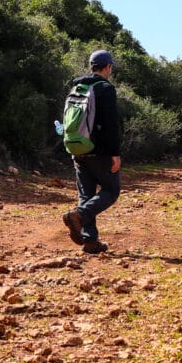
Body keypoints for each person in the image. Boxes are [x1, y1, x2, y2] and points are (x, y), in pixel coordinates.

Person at [63, 50, 122, 254]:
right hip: (99, 152)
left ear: (91, 66)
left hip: (77, 149)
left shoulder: (77, 87)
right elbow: (111, 124)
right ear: (108, 67)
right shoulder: (105, 88)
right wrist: (115, 153)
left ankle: (90, 242)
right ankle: (78, 215)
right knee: (111, 191)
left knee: (86, 194)